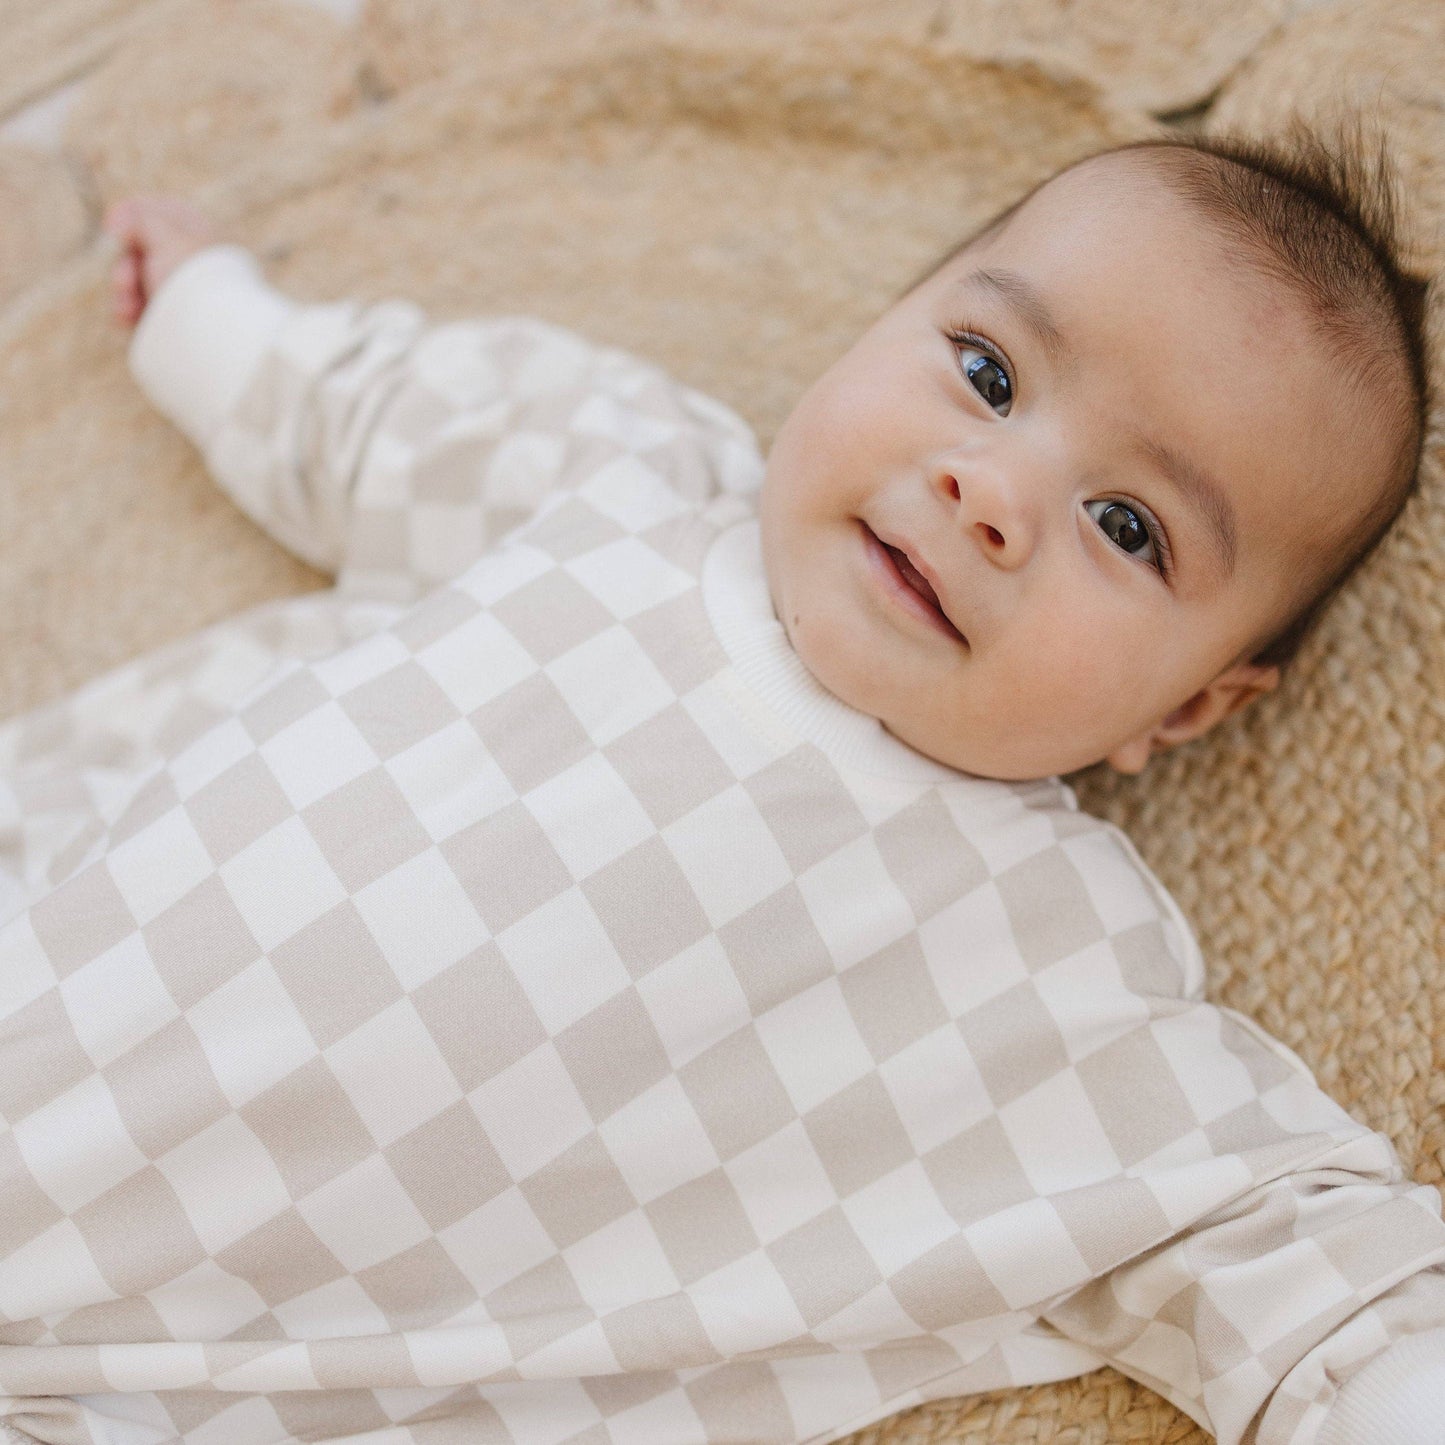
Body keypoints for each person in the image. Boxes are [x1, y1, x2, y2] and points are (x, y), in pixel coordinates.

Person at [0, 125, 1441, 1445]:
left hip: (134, 1382)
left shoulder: (1040, 972)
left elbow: (1290, 1250)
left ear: (1186, 704)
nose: (988, 493)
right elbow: (369, 415)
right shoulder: (614, 471)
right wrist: (211, 323)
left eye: (1126, 526)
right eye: (987, 374)